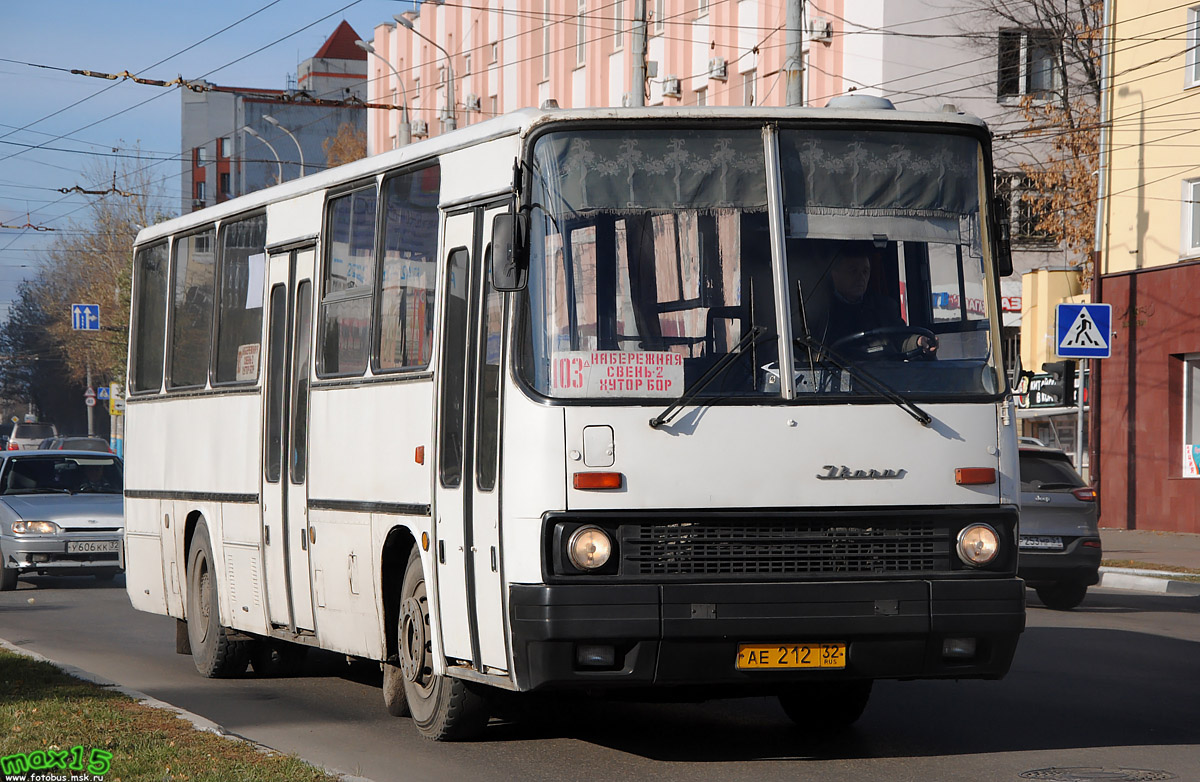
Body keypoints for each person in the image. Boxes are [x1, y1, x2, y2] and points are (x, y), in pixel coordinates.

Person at [818, 243, 937, 359]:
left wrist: (919, 341)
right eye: (853, 271)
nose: (861, 277)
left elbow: (901, 339)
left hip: (882, 376)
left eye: (865, 271)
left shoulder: (884, 307)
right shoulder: (820, 312)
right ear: (835, 275)